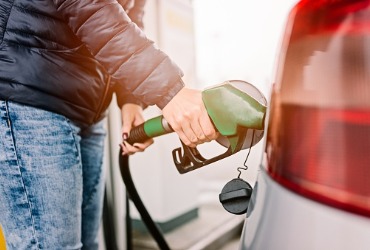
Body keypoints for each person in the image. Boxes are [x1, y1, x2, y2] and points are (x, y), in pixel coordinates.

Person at [0, 0, 218, 249]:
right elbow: (91, 7)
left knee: (87, 244)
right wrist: (169, 90)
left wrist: (131, 100)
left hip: (87, 108)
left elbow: (130, 14)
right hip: (29, 97)